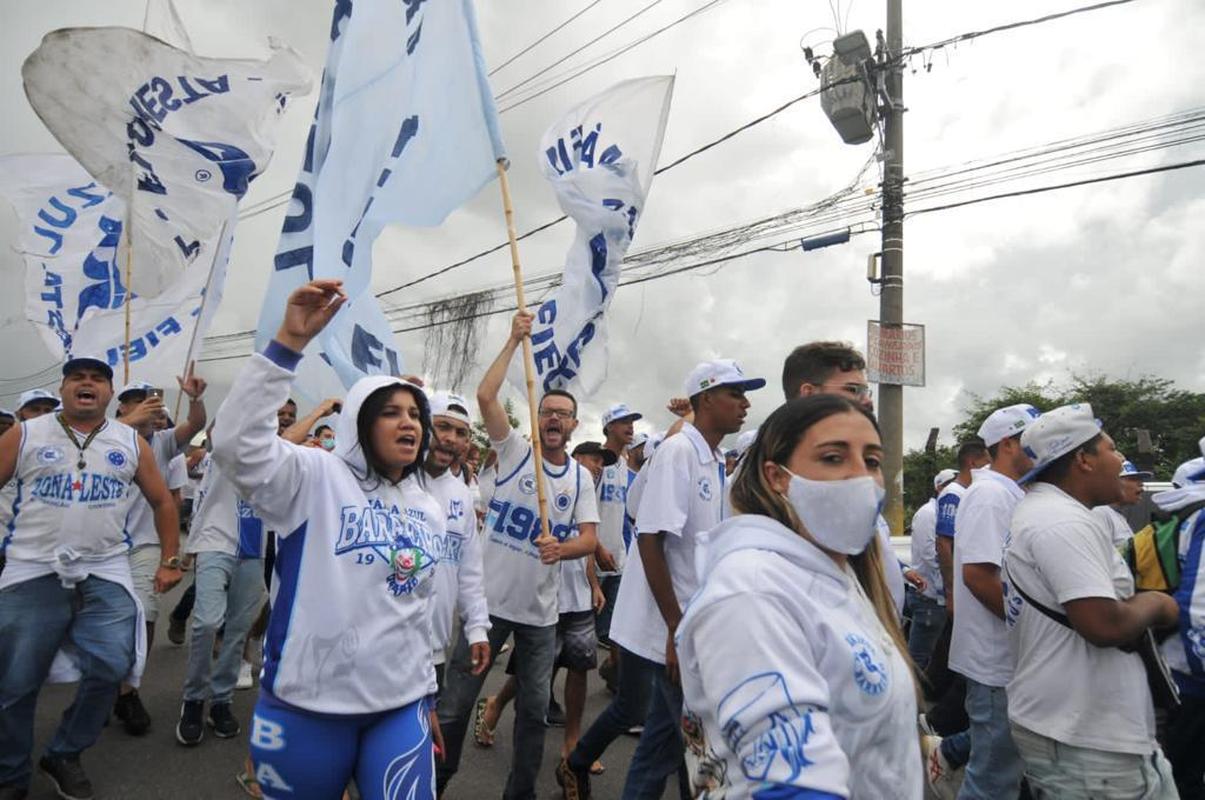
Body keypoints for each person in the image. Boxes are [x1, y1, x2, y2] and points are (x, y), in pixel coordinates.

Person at [209, 279, 442, 799]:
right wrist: (287, 344)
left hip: (400, 708)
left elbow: (416, 609)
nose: (409, 423)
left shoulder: (428, 507)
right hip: (305, 707)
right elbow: (234, 444)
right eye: (391, 412)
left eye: (415, 415)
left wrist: (426, 696)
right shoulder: (313, 477)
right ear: (360, 423)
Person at [676, 394, 923, 798]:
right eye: (832, 458)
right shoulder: (752, 590)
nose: (861, 476)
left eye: (872, 461)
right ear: (778, 477)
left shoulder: (839, 574)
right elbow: (793, 783)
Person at [578, 359, 764, 800]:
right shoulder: (680, 452)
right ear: (704, 399)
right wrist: (676, 626)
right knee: (690, 749)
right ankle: (578, 760)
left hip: (688, 628)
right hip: (673, 630)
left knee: (666, 746)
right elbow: (650, 538)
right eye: (734, 393)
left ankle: (578, 761)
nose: (745, 403)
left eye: (745, 393)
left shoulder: (713, 457)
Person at [0, 354, 183, 800]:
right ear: (63, 389)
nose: (87, 384)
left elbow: (163, 502)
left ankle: (64, 751)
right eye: (77, 378)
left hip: (105, 567)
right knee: (16, 680)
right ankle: (10, 774)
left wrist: (170, 559)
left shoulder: (129, 441)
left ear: (108, 392)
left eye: (97, 379)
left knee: (113, 664)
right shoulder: (22, 435)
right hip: (33, 567)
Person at [437, 310, 600, 800]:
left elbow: (590, 539)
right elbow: (485, 397)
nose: (552, 418)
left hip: (540, 618)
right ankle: (431, 785)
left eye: (561, 414)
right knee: (455, 706)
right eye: (545, 411)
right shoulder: (512, 454)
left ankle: (520, 793)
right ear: (536, 416)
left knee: (533, 713)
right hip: (486, 612)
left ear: (572, 425)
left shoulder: (580, 478)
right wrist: (513, 340)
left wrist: (563, 547)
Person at [1004, 404, 1180, 798]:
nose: (1121, 461)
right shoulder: (1061, 522)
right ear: (1083, 459)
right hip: (1088, 747)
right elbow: (1103, 625)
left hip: (1092, 736)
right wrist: (1158, 604)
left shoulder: (1050, 513)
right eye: (1113, 449)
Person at [780, 340, 924, 613]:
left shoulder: (852, 471)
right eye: (853, 389)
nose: (867, 400)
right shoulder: (781, 471)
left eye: (872, 462)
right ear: (809, 393)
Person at [948, 403, 1041, 799]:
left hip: (1009, 660)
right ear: (1008, 444)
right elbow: (979, 576)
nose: (1044, 449)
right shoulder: (989, 495)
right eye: (1034, 441)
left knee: (1005, 772)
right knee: (992, 780)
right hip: (995, 661)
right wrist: (1032, 629)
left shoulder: (1009, 492)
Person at [110, 377, 207, 735]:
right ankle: (101, 685)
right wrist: (128, 423)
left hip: (145, 544)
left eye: (152, 402)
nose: (147, 407)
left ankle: (128, 691)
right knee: (98, 622)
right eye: (136, 401)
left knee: (145, 614)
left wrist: (195, 399)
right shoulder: (103, 438)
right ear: (121, 408)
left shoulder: (164, 442)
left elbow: (195, 424)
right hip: (101, 546)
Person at [174, 447, 268, 746]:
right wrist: (189, 552)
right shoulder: (229, 446)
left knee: (238, 630)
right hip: (216, 542)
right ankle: (194, 698)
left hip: (254, 549)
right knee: (206, 623)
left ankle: (220, 700)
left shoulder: (281, 455)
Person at [1144, 447, 1205, 799]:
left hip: (1177, 666)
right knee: (1184, 778)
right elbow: (1197, 608)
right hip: (1191, 676)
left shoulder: (1183, 521)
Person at [422, 390, 490, 689]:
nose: (450, 438)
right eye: (442, 427)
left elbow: (469, 571)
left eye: (461, 432)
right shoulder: (392, 482)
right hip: (380, 654)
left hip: (434, 653)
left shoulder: (462, 495)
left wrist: (477, 629)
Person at [596, 404, 643, 692]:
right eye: (623, 421)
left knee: (616, 629)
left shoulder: (627, 468)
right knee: (569, 640)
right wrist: (596, 548)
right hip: (590, 561)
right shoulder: (595, 462)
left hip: (618, 561)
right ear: (609, 427)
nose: (630, 426)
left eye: (631, 421)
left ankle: (617, 679)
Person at [909, 468, 958, 669]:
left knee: (939, 655)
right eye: (948, 485)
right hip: (930, 597)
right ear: (939, 487)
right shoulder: (928, 514)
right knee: (918, 658)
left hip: (941, 597)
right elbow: (931, 555)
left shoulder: (948, 512)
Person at [935, 441, 991, 609]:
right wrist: (951, 590)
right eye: (986, 463)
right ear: (972, 463)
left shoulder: (968, 492)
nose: (990, 468)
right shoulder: (953, 494)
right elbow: (944, 544)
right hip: (960, 589)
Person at [1092, 459, 1151, 546]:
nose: (1141, 484)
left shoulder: (1116, 514)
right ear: (1112, 482)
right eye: (1133, 479)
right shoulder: (1100, 513)